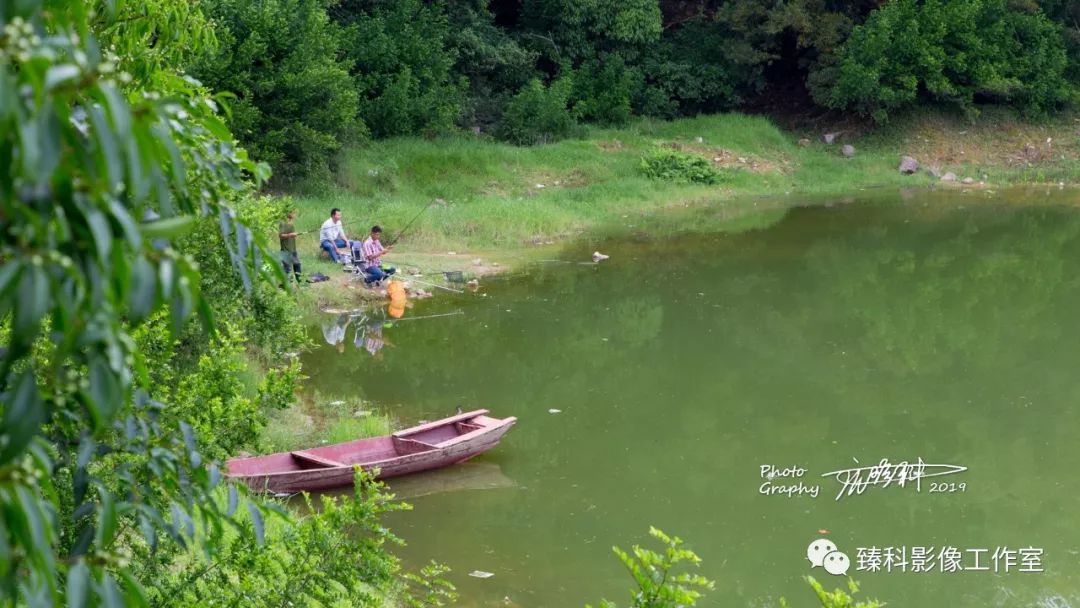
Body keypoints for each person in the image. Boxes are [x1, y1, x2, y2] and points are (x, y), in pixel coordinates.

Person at [278, 209, 302, 283]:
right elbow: (281, 236)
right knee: (287, 269)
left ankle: (300, 282)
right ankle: (285, 285)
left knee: (297, 265)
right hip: (285, 250)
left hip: (293, 250)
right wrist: (290, 235)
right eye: (294, 213)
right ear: (289, 213)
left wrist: (294, 235)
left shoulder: (292, 224)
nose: (295, 215)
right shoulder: (282, 223)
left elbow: (292, 235)